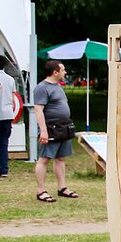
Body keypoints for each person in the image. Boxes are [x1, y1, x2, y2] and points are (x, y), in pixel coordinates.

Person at [32, 60, 80, 202]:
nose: (65, 72)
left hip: (63, 127)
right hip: (51, 128)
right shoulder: (42, 88)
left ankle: (62, 188)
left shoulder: (58, 86)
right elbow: (38, 110)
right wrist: (43, 131)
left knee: (60, 158)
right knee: (44, 159)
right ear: (55, 72)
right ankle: (41, 191)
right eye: (63, 70)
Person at [0, 55, 18, 177]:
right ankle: (3, 170)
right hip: (7, 114)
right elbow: (12, 97)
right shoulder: (10, 79)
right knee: (4, 144)